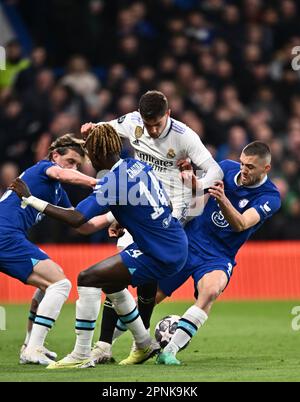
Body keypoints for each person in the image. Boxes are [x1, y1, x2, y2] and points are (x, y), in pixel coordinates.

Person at [9, 123, 189, 368]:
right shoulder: (137, 164)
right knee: (112, 281)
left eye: (88, 156)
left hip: (159, 253)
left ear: (97, 155)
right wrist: (122, 218)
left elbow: (77, 220)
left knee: (87, 277)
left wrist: (30, 199)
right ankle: (144, 343)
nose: (87, 162)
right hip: (173, 241)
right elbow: (163, 202)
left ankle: (81, 353)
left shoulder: (111, 182)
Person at [80, 90, 223, 363]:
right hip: (140, 200)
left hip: (172, 207)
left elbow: (214, 170)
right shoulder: (132, 121)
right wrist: (91, 129)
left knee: (135, 274)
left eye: (158, 124)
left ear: (168, 114)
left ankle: (125, 344)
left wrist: (198, 185)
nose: (153, 130)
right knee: (124, 274)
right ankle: (113, 346)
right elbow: (105, 131)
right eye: (148, 125)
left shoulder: (185, 136)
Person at [155, 141, 281, 365]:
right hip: (190, 242)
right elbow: (197, 192)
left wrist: (223, 200)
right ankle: (106, 346)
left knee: (211, 291)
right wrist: (190, 178)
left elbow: (241, 224)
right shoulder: (225, 167)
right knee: (151, 296)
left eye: (250, 167)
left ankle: (170, 351)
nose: (243, 170)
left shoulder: (270, 197)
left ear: (266, 169)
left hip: (218, 255)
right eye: (242, 163)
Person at [0, 134, 112, 365]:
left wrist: (114, 216)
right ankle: (34, 347)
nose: (73, 168)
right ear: (54, 156)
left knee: (49, 282)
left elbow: (83, 225)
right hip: (5, 235)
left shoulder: (57, 192)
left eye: (78, 165)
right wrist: (97, 182)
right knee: (60, 284)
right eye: (70, 161)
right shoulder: (43, 169)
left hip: (8, 237)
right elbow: (61, 173)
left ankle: (29, 346)